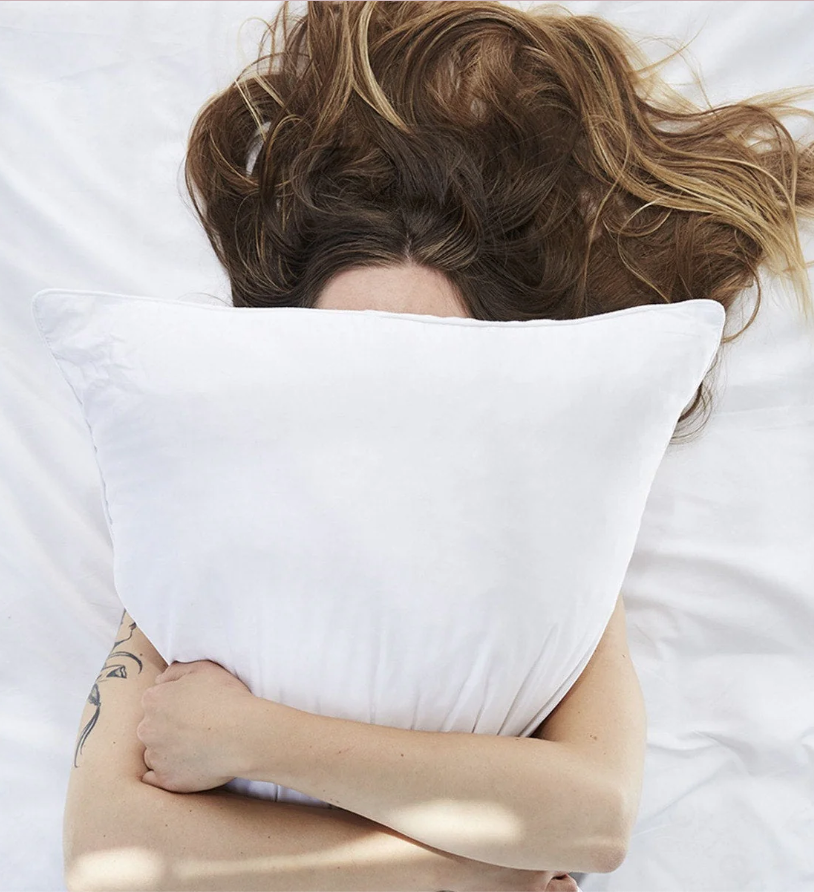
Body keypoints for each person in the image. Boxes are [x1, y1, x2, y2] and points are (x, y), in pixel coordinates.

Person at [64, 2, 814, 890]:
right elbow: (105, 855)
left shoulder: (544, 544)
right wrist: (473, 872)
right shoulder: (207, 520)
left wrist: (257, 739)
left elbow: (592, 817)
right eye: (348, 359)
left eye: (424, 369)